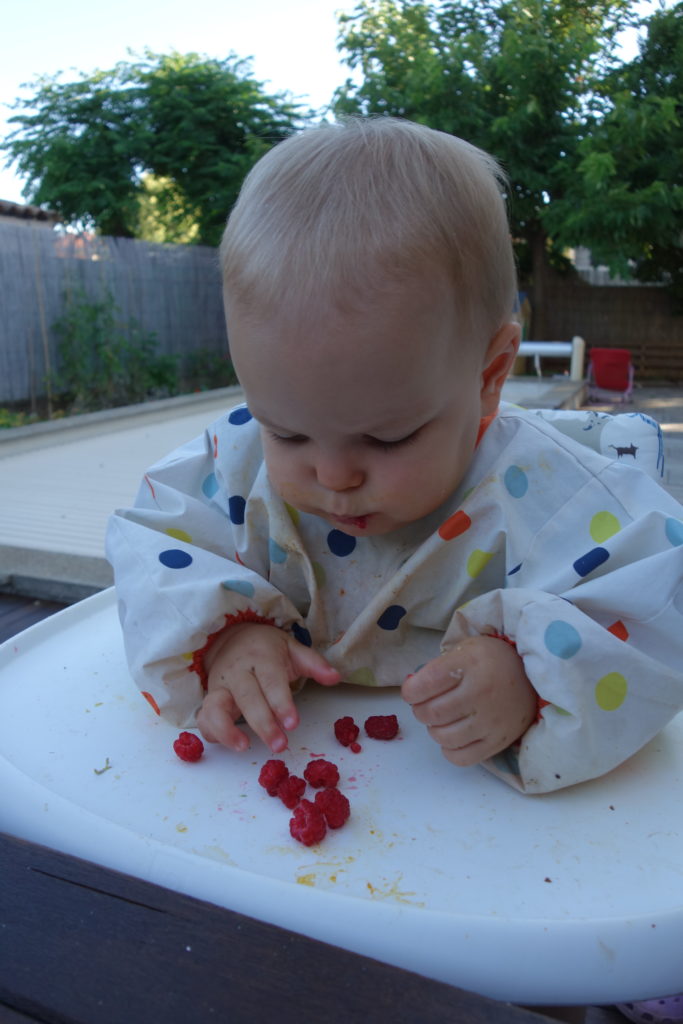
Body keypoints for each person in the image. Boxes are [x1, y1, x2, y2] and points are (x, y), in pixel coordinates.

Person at [106, 117, 683, 800]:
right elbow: (155, 549)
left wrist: (535, 677)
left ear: (489, 374)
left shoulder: (555, 493)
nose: (333, 477)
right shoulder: (235, 463)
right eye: (286, 433)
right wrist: (223, 637)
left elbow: (654, 611)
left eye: (386, 439)